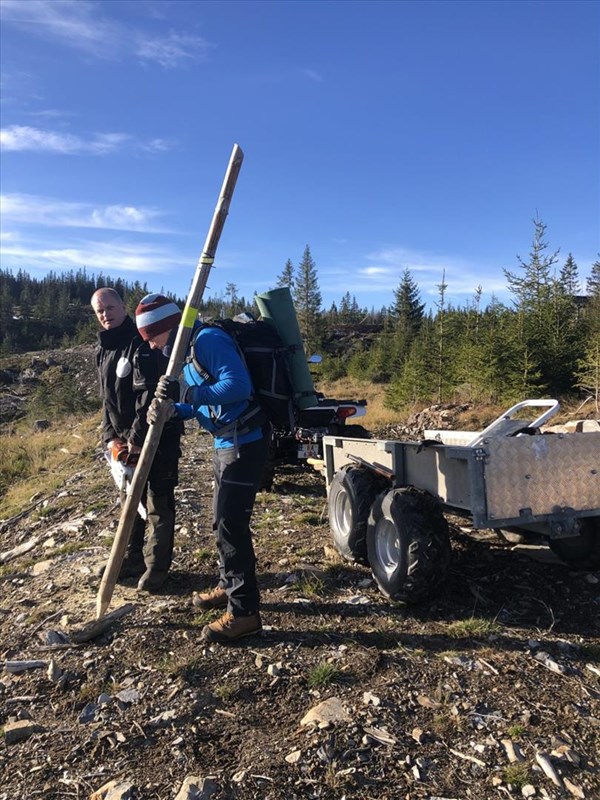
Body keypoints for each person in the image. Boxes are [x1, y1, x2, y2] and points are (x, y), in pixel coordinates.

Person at [135, 293, 270, 644]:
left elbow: (238, 386)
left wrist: (188, 394)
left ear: (165, 327)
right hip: (226, 442)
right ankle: (228, 586)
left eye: (150, 336)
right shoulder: (187, 351)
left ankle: (245, 614)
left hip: (245, 441)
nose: (149, 344)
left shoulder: (207, 340)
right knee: (220, 520)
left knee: (230, 524)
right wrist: (173, 410)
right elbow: (203, 403)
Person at [91, 287, 182, 592]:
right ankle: (131, 559)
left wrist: (136, 438)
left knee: (158, 500)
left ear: (123, 306)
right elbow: (107, 400)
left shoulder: (141, 342)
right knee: (130, 500)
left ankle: (157, 568)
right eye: (99, 311)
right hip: (123, 444)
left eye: (109, 307)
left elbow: (149, 396)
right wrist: (110, 438)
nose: (105, 314)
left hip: (157, 436)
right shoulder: (102, 349)